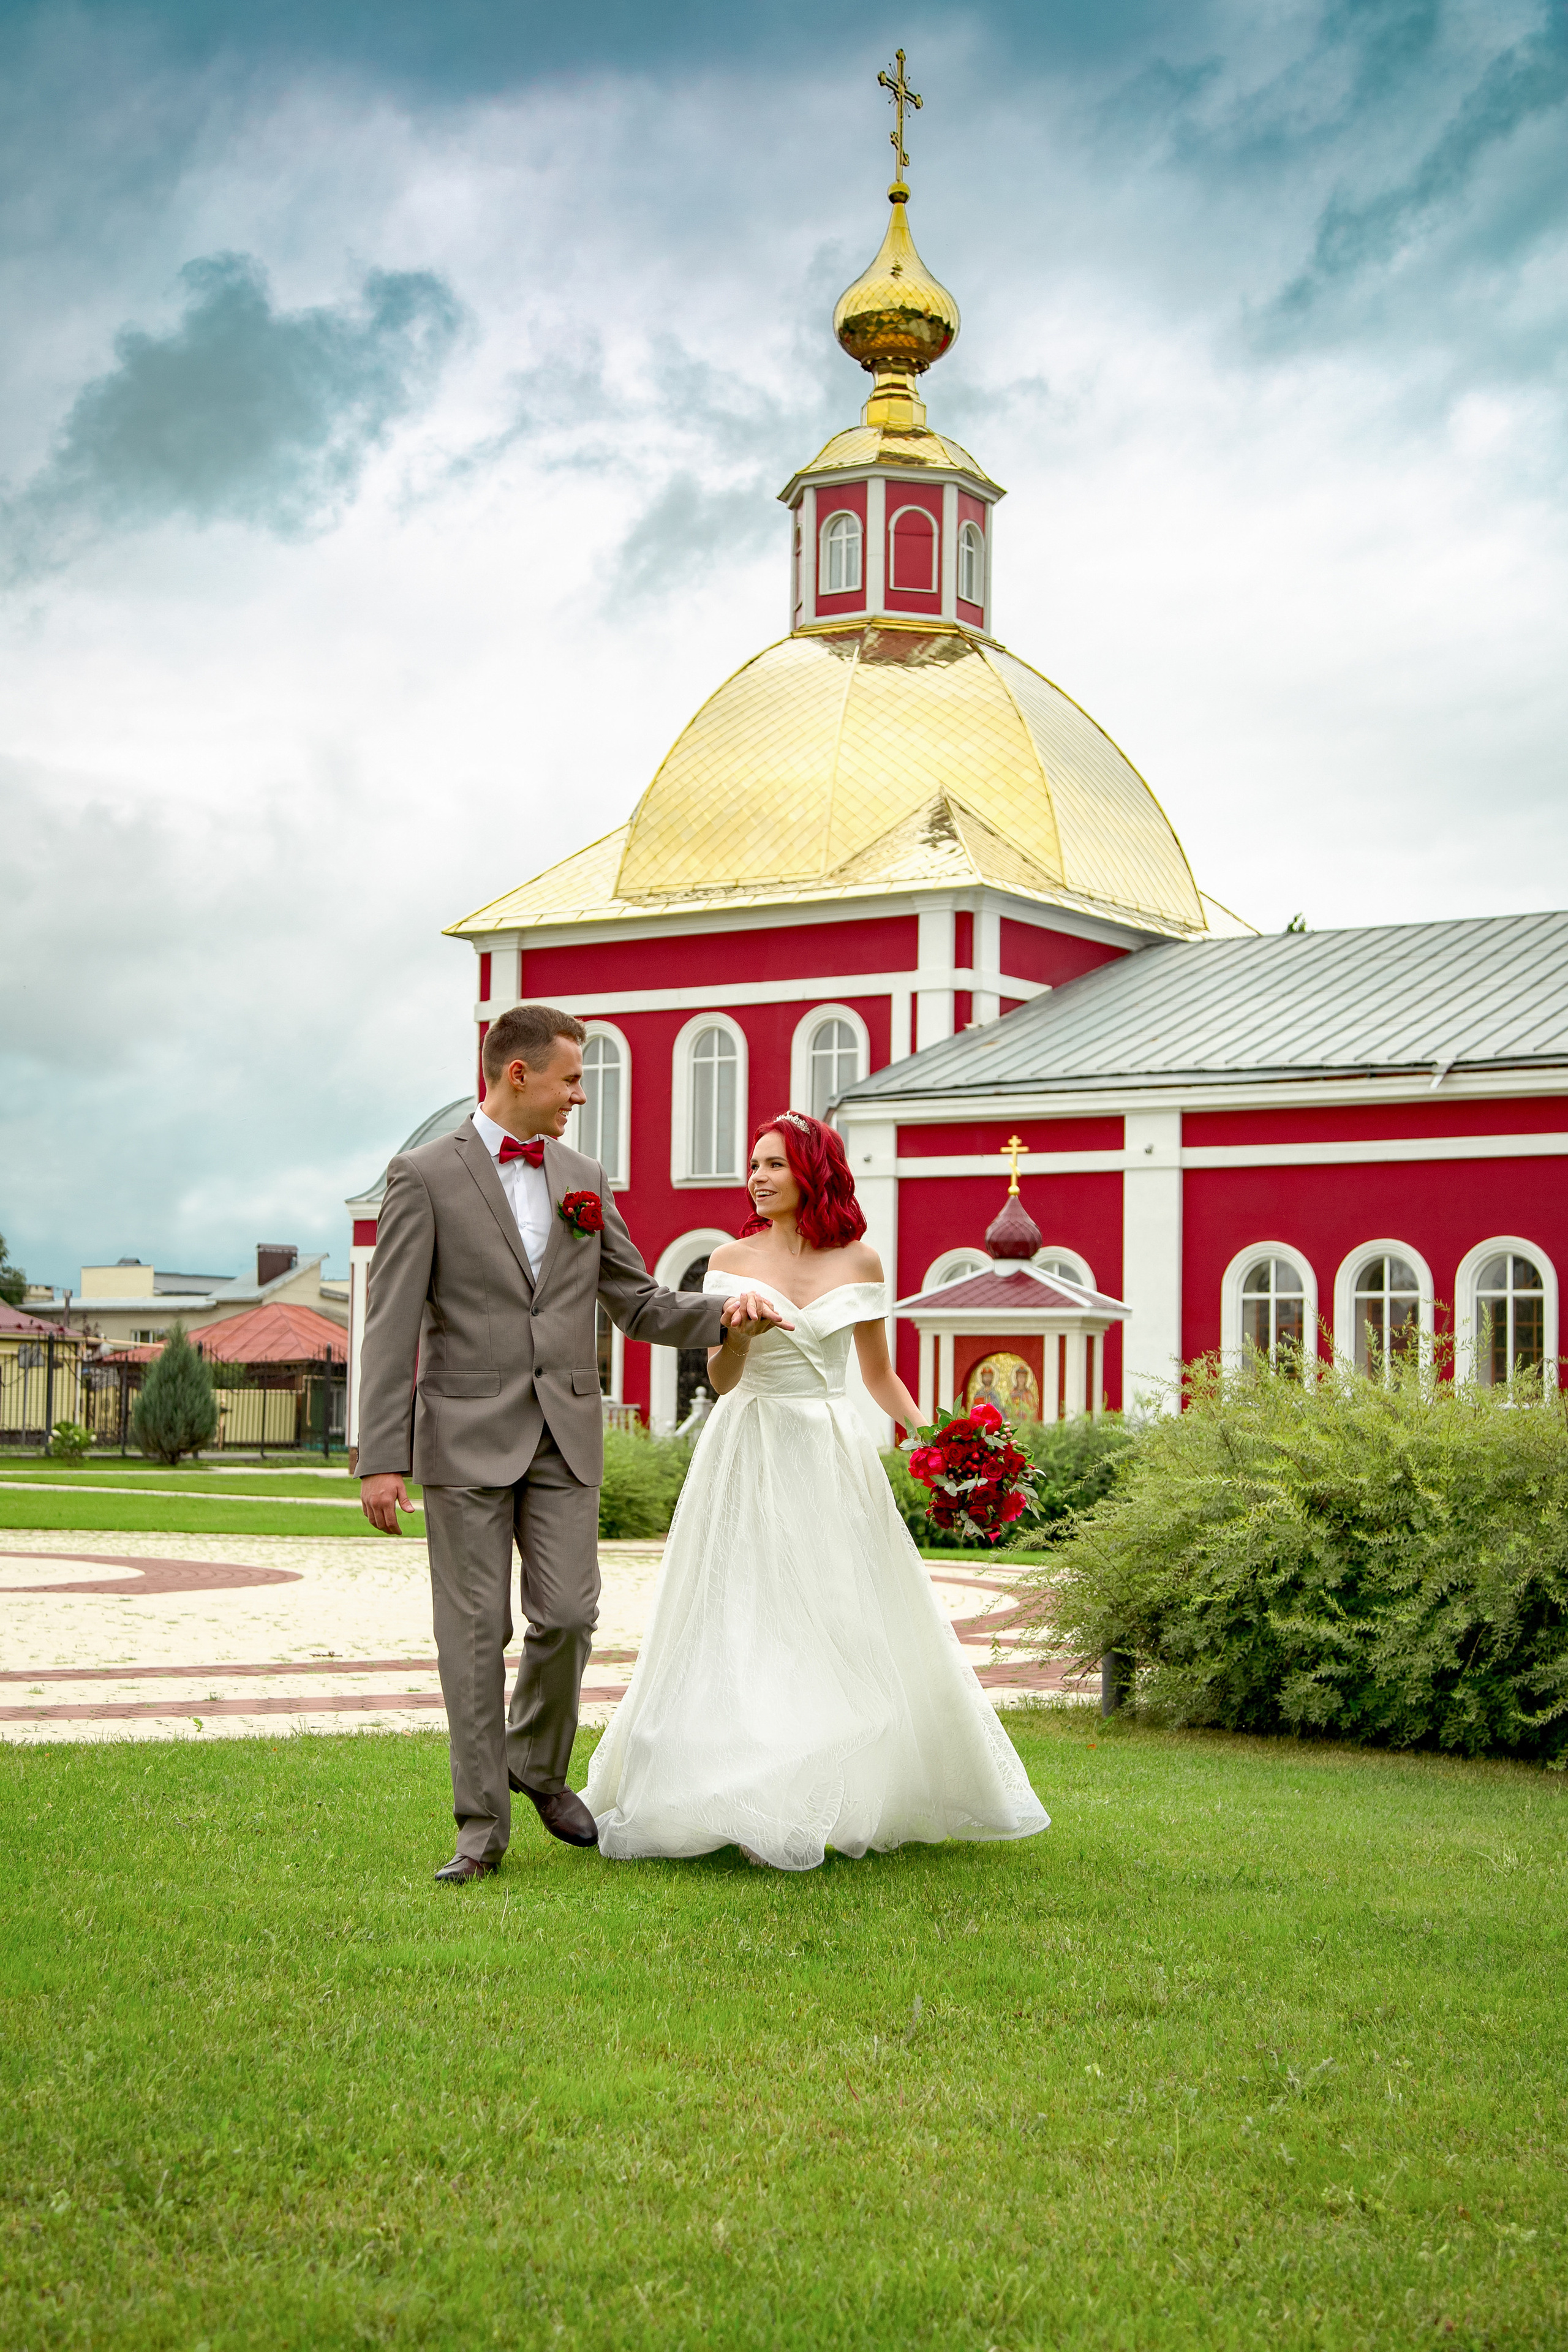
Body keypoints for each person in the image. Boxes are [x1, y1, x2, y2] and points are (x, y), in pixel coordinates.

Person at [356, 1003, 785, 1883]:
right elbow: (390, 1323)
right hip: (463, 1438)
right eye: (571, 1079)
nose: (580, 1096)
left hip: (565, 1435)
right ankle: (481, 1831)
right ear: (518, 1074)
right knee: (475, 1634)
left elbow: (639, 1302)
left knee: (567, 1616)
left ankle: (535, 1764)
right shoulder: (422, 1175)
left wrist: (726, 1313)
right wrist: (382, 1457)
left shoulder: (583, 1178)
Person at [584, 1112, 1049, 1871]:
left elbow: (879, 1375)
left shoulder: (860, 1261)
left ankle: (836, 1784)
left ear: (813, 1172)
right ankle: (740, 1792)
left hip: (830, 1449)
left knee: (837, 1611)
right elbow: (721, 1379)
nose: (757, 1178)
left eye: (774, 1164)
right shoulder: (728, 1260)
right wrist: (738, 1338)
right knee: (743, 1610)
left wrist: (945, 1446)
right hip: (748, 1443)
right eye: (754, 1165)